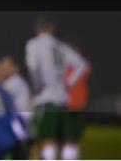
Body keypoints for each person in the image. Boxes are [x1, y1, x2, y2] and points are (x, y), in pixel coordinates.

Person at [25, 15, 87, 160]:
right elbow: (82, 64)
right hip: (63, 99)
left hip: (46, 98)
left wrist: (36, 86)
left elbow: (32, 67)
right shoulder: (60, 45)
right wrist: (68, 83)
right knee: (68, 141)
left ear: (37, 28)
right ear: (52, 28)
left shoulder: (34, 44)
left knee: (48, 139)